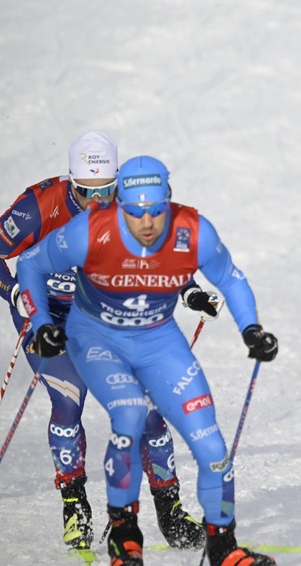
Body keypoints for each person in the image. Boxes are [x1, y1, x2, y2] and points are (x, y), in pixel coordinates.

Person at [15, 155, 278, 566]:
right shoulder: (88, 231)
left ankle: (223, 548)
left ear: (169, 202)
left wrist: (251, 328)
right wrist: (42, 322)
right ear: (119, 204)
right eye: (135, 213)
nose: (148, 223)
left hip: (157, 338)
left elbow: (230, 277)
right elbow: (30, 264)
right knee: (131, 414)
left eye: (156, 211)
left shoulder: (192, 229)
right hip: (96, 337)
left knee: (211, 443)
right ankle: (125, 539)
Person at [0, 132, 203, 553]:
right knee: (69, 399)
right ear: (70, 181)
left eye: (106, 190)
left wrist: (190, 290)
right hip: (48, 314)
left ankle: (169, 511)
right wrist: (14, 292)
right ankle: (75, 507)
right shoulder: (41, 204)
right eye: (86, 191)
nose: (97, 201)